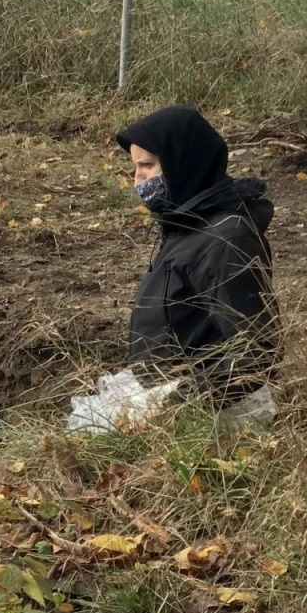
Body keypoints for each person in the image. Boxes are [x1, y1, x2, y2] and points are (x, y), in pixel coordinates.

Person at [118, 105, 277, 401]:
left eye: (147, 166)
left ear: (182, 164)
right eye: (135, 168)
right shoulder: (184, 222)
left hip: (210, 415)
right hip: (169, 397)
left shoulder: (227, 240)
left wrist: (177, 404)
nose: (137, 179)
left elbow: (257, 352)